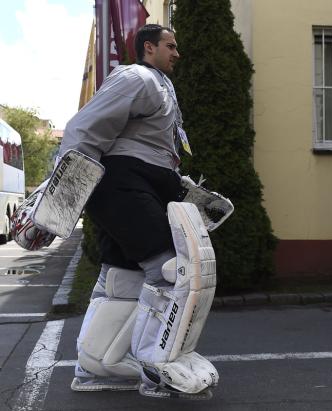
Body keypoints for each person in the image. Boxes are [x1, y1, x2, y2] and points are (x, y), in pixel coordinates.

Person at [58, 24, 219, 398]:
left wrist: (179, 184)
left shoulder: (161, 85)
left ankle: (99, 365)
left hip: (137, 184)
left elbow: (154, 146)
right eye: (170, 45)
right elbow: (84, 127)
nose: (177, 53)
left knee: (124, 281)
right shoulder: (137, 77)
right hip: (123, 184)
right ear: (149, 47)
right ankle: (156, 370)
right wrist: (62, 190)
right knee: (172, 271)